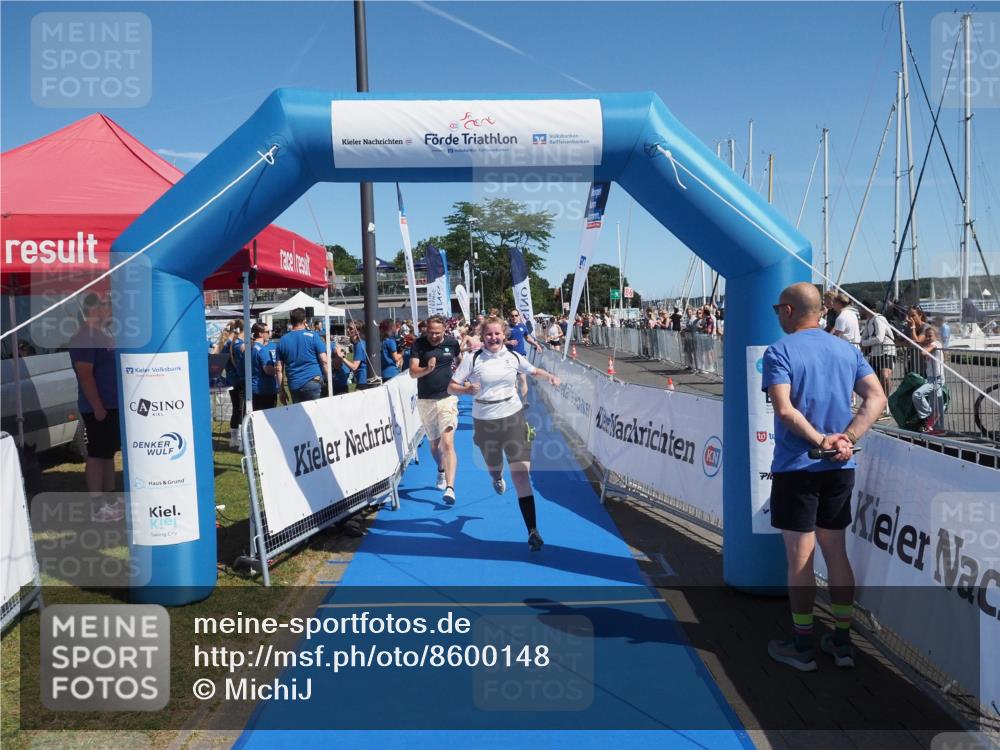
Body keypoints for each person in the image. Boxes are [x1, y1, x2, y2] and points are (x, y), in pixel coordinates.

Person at [762, 282, 886, 672]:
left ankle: (802, 646)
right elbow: (877, 398)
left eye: (777, 310)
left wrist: (821, 441)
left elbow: (784, 411)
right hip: (839, 467)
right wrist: (846, 439)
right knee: (836, 552)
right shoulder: (846, 350)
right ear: (821, 312)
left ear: (787, 311)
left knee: (801, 558)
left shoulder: (779, 351)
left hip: (800, 466)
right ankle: (843, 642)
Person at [448, 316, 561, 551]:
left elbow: (533, 370)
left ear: (504, 334)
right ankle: (496, 478)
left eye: (497, 334)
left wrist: (549, 376)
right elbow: (451, 386)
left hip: (512, 415)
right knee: (495, 467)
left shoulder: (513, 356)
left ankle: (532, 530)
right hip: (485, 420)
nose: (493, 338)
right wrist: (467, 389)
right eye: (489, 334)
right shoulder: (473, 358)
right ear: (482, 336)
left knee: (521, 475)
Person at [69, 293, 123, 522]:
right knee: (96, 455)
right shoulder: (84, 337)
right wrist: (98, 406)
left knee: (108, 453)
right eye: (106, 304)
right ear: (94, 308)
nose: (111, 308)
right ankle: (98, 506)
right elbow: (85, 373)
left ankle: (110, 499)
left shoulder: (103, 334)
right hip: (97, 407)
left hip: (111, 405)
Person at [410, 315, 461, 505]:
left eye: (437, 333)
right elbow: (412, 372)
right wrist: (427, 369)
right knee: (434, 444)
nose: (433, 336)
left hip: (447, 398)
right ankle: (440, 468)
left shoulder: (452, 343)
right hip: (426, 400)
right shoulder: (419, 344)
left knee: (448, 443)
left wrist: (463, 377)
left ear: (445, 330)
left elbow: (460, 360)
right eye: (430, 332)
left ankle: (450, 488)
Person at [275, 308, 332, 403]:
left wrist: (281, 391)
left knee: (300, 416)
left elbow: (278, 368)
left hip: (294, 384)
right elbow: (324, 361)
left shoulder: (283, 340)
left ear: (290, 321)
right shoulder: (313, 336)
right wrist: (329, 381)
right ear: (304, 320)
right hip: (313, 381)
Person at [859, 301, 896, 406]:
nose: (859, 311)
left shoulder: (879, 319)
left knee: (885, 376)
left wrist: (864, 343)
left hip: (886, 350)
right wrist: (863, 341)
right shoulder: (868, 321)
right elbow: (864, 336)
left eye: (861, 309)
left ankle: (886, 402)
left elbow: (879, 338)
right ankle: (878, 401)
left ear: (866, 309)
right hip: (875, 353)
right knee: (872, 378)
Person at [912, 326, 945, 434]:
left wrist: (925, 347)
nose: (927, 338)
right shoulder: (930, 345)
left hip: (937, 379)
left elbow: (924, 353)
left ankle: (930, 415)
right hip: (931, 378)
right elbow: (917, 343)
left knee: (917, 394)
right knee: (937, 404)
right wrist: (913, 328)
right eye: (926, 336)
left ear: (936, 336)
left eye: (930, 336)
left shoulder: (936, 344)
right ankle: (939, 428)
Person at [506, 309, 543, 400]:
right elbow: (500, 341)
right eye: (512, 316)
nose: (514, 317)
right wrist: (508, 342)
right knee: (514, 381)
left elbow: (528, 338)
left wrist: (536, 344)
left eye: (516, 315)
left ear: (519, 316)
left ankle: (525, 402)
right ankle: (514, 402)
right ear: (510, 317)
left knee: (523, 380)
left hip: (521, 356)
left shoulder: (522, 326)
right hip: (510, 357)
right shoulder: (506, 328)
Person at [248, 323, 279, 410]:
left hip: (254, 388)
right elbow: (268, 370)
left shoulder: (250, 347)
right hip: (265, 389)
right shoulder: (262, 349)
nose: (269, 333)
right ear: (261, 334)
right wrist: (277, 369)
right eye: (267, 331)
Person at [342, 324, 369, 390]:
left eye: (351, 328)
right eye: (347, 328)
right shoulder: (359, 343)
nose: (348, 330)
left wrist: (342, 357)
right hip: (363, 379)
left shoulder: (359, 345)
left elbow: (354, 367)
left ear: (358, 331)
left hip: (363, 380)